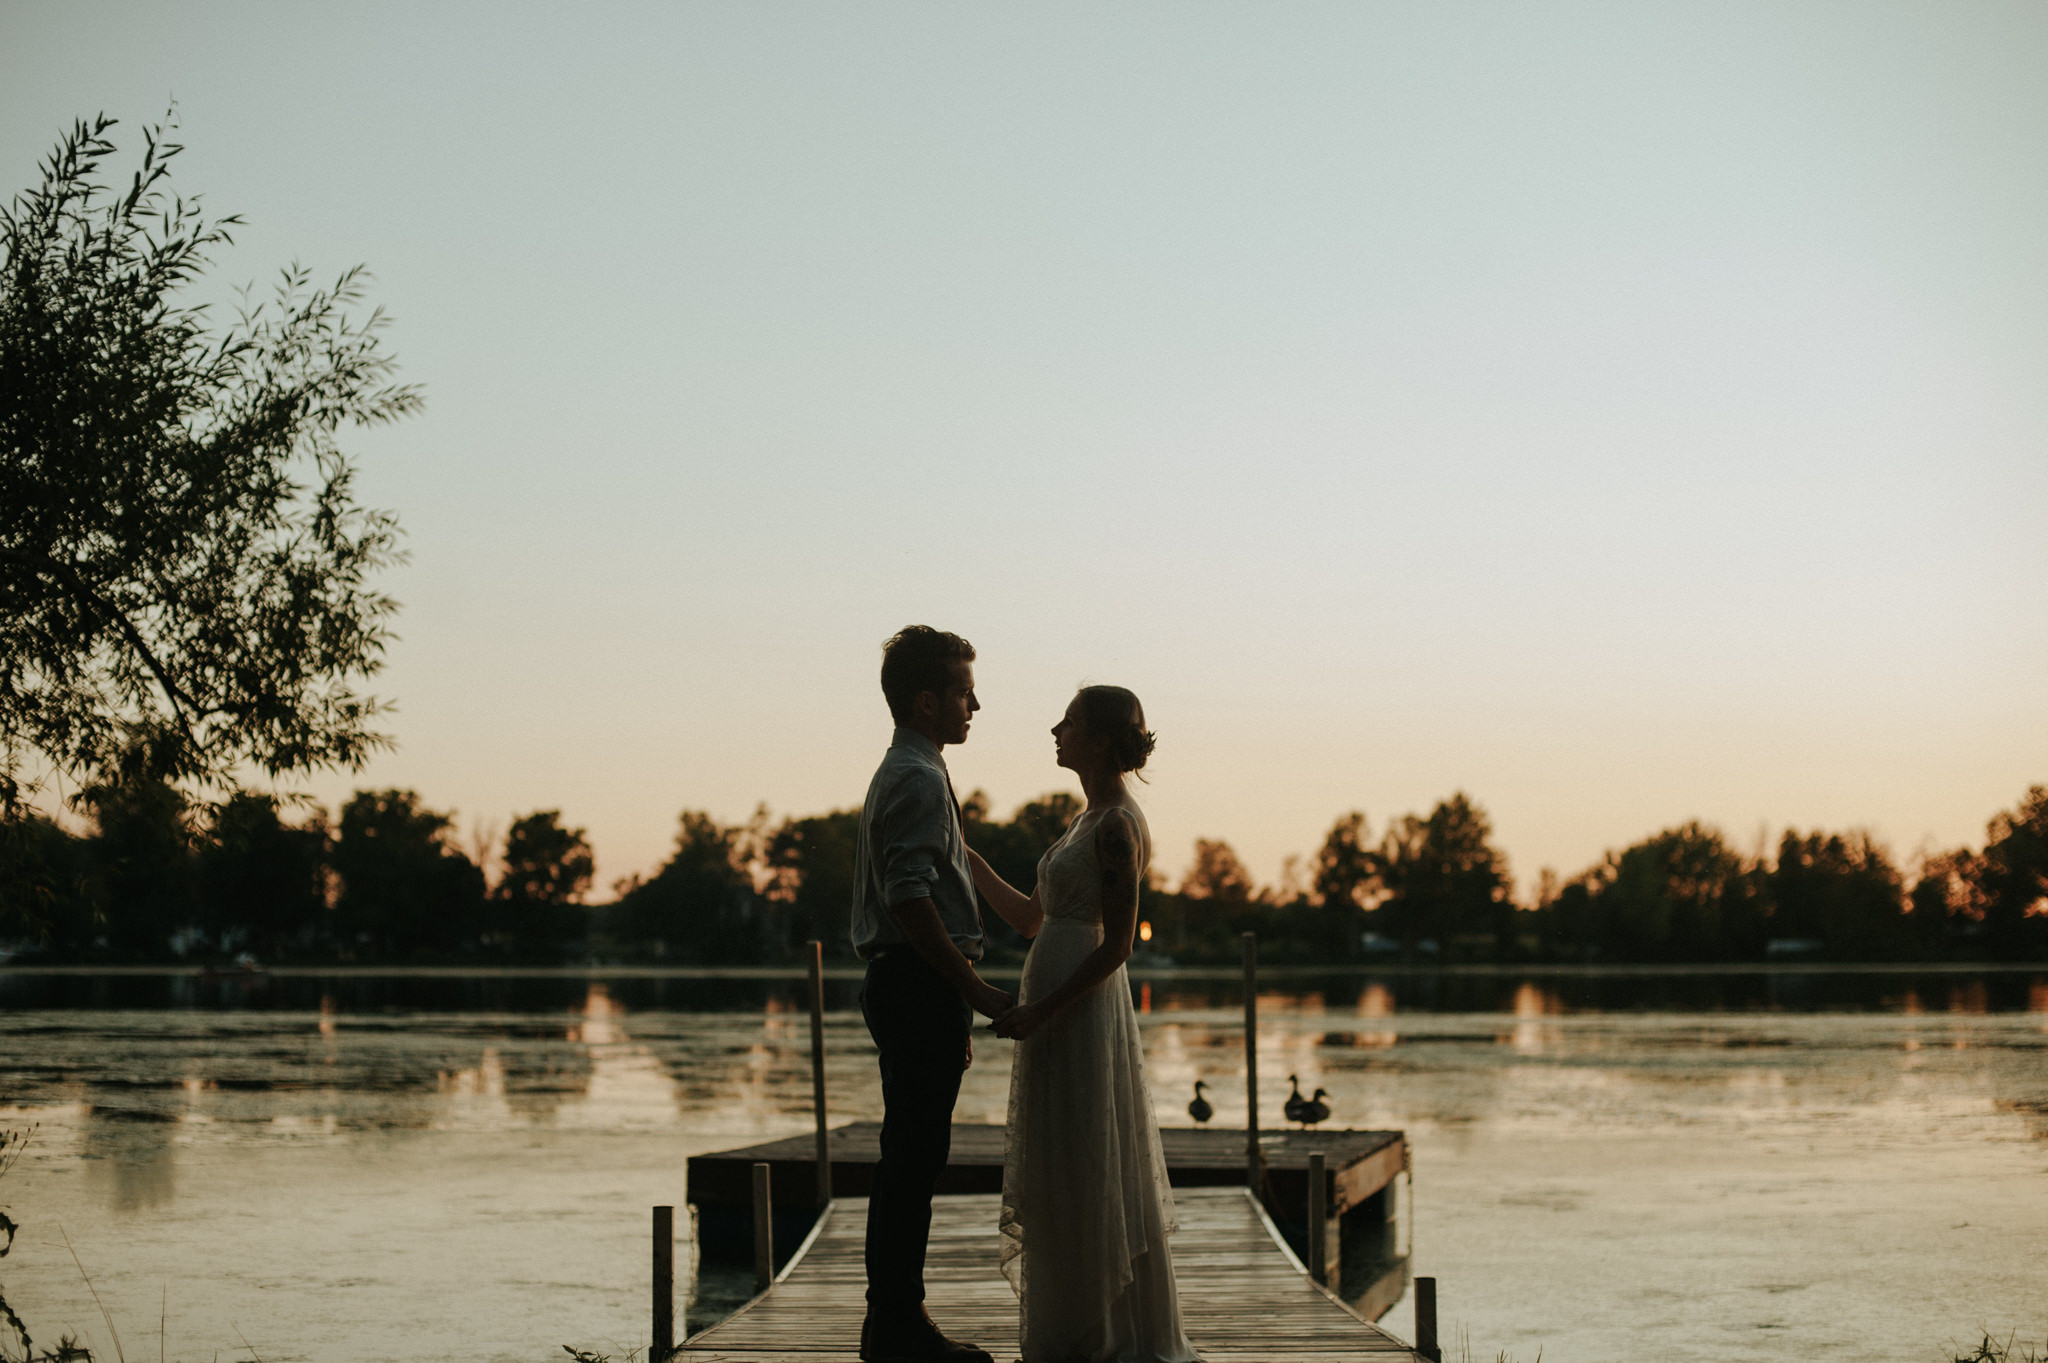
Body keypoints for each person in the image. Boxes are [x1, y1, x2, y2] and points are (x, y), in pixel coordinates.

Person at [977, 685, 1202, 1363]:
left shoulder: (1117, 827)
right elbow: (1027, 919)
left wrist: (1043, 1010)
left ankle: (1106, 1334)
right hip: (1049, 1010)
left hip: (1080, 1011)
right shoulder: (1080, 822)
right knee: (1059, 1161)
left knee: (1089, 1151)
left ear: (1099, 740)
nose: (1055, 728)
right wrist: (963, 853)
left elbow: (1118, 944)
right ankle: (1066, 1323)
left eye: (1068, 721)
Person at [852, 626, 1013, 1363]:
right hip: (915, 981)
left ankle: (891, 1321)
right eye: (961, 690)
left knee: (910, 1154)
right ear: (927, 700)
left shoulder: (916, 769)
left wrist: (955, 1000)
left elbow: (944, 869)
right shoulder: (916, 776)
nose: (974, 702)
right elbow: (911, 897)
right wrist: (972, 987)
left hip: (918, 987)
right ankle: (897, 1326)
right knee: (913, 1158)